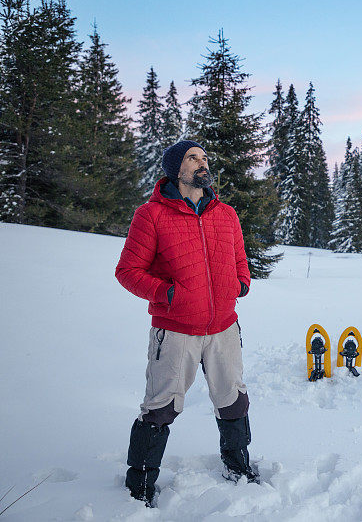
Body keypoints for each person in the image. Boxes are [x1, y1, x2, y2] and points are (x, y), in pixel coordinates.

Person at [115, 140, 259, 506]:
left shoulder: (225, 214)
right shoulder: (151, 215)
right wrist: (169, 295)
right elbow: (128, 271)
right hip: (176, 330)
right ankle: (140, 484)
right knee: (160, 407)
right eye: (193, 158)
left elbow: (240, 259)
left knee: (233, 400)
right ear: (175, 168)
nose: (202, 163)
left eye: (205, 157)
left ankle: (237, 465)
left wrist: (239, 284)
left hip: (224, 326)